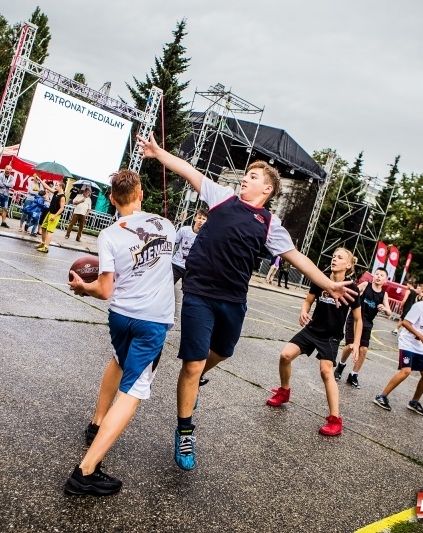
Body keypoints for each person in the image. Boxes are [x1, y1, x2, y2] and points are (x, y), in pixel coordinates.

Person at [137, 132, 356, 470]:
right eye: (245, 175)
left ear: (267, 190)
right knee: (193, 365)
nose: (245, 180)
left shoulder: (270, 224)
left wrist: (329, 283)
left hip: (233, 300)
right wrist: (158, 152)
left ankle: (192, 376)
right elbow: (189, 171)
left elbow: (296, 257)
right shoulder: (222, 197)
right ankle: (184, 429)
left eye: (253, 177)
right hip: (199, 293)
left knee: (223, 351)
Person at [64, 169, 175, 496]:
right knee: (133, 392)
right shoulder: (164, 226)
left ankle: (97, 422)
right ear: (140, 193)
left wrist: (84, 288)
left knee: (118, 360)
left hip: (121, 318)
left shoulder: (109, 235)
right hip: (151, 321)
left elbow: (105, 289)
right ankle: (85, 472)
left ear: (112, 199)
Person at [266, 248, 361, 436]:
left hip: (331, 336)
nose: (334, 259)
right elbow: (307, 301)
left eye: (339, 257)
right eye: (333, 256)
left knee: (326, 371)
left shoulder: (353, 289)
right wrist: (303, 311)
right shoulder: (320, 280)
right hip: (312, 330)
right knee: (285, 355)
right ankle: (284, 392)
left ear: (348, 265)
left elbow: (358, 319)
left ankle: (335, 419)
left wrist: (356, 343)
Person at [373, 283, 423, 417]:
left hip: (420, 345)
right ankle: (381, 396)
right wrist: (422, 337)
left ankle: (414, 402)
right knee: (406, 371)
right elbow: (405, 323)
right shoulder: (419, 307)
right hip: (407, 342)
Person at [334, 267, 391, 389]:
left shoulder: (384, 294)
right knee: (350, 346)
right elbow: (352, 293)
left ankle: (353, 375)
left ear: (385, 280)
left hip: (367, 324)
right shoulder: (365, 285)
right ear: (373, 276)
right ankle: (340, 366)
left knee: (363, 350)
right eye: (377, 274)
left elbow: (389, 313)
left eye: (381, 275)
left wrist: (385, 309)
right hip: (354, 319)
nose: (378, 276)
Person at [172, 208, 208, 284]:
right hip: (176, 264)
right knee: (168, 287)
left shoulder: (206, 237)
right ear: (195, 218)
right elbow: (173, 243)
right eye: (199, 218)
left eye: (204, 219)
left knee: (187, 292)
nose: (200, 221)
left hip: (191, 269)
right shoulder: (184, 230)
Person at [36, 182, 65, 253]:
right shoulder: (56, 193)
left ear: (61, 187)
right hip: (49, 212)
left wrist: (55, 216)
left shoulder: (62, 197)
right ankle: (43, 243)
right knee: (43, 228)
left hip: (55, 215)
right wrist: (40, 180)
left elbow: (62, 208)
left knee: (49, 231)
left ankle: (46, 247)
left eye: (57, 185)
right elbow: (46, 187)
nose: (55, 186)